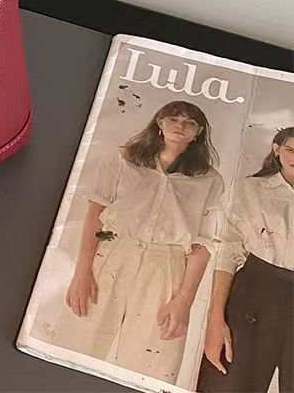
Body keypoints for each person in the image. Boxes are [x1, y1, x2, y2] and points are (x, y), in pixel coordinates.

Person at [54, 101, 224, 386]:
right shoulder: (123, 159)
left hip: (165, 268)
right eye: (173, 119)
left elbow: (203, 244)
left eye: (190, 123)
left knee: (151, 366)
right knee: (78, 346)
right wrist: (82, 271)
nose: (180, 126)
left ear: (198, 133)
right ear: (159, 122)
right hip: (112, 255)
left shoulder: (209, 180)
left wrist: (184, 300)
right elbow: (96, 214)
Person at [197, 126, 294, 393]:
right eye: (291, 149)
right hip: (255, 293)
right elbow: (227, 252)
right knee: (230, 382)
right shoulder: (250, 189)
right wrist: (215, 319)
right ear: (276, 149)